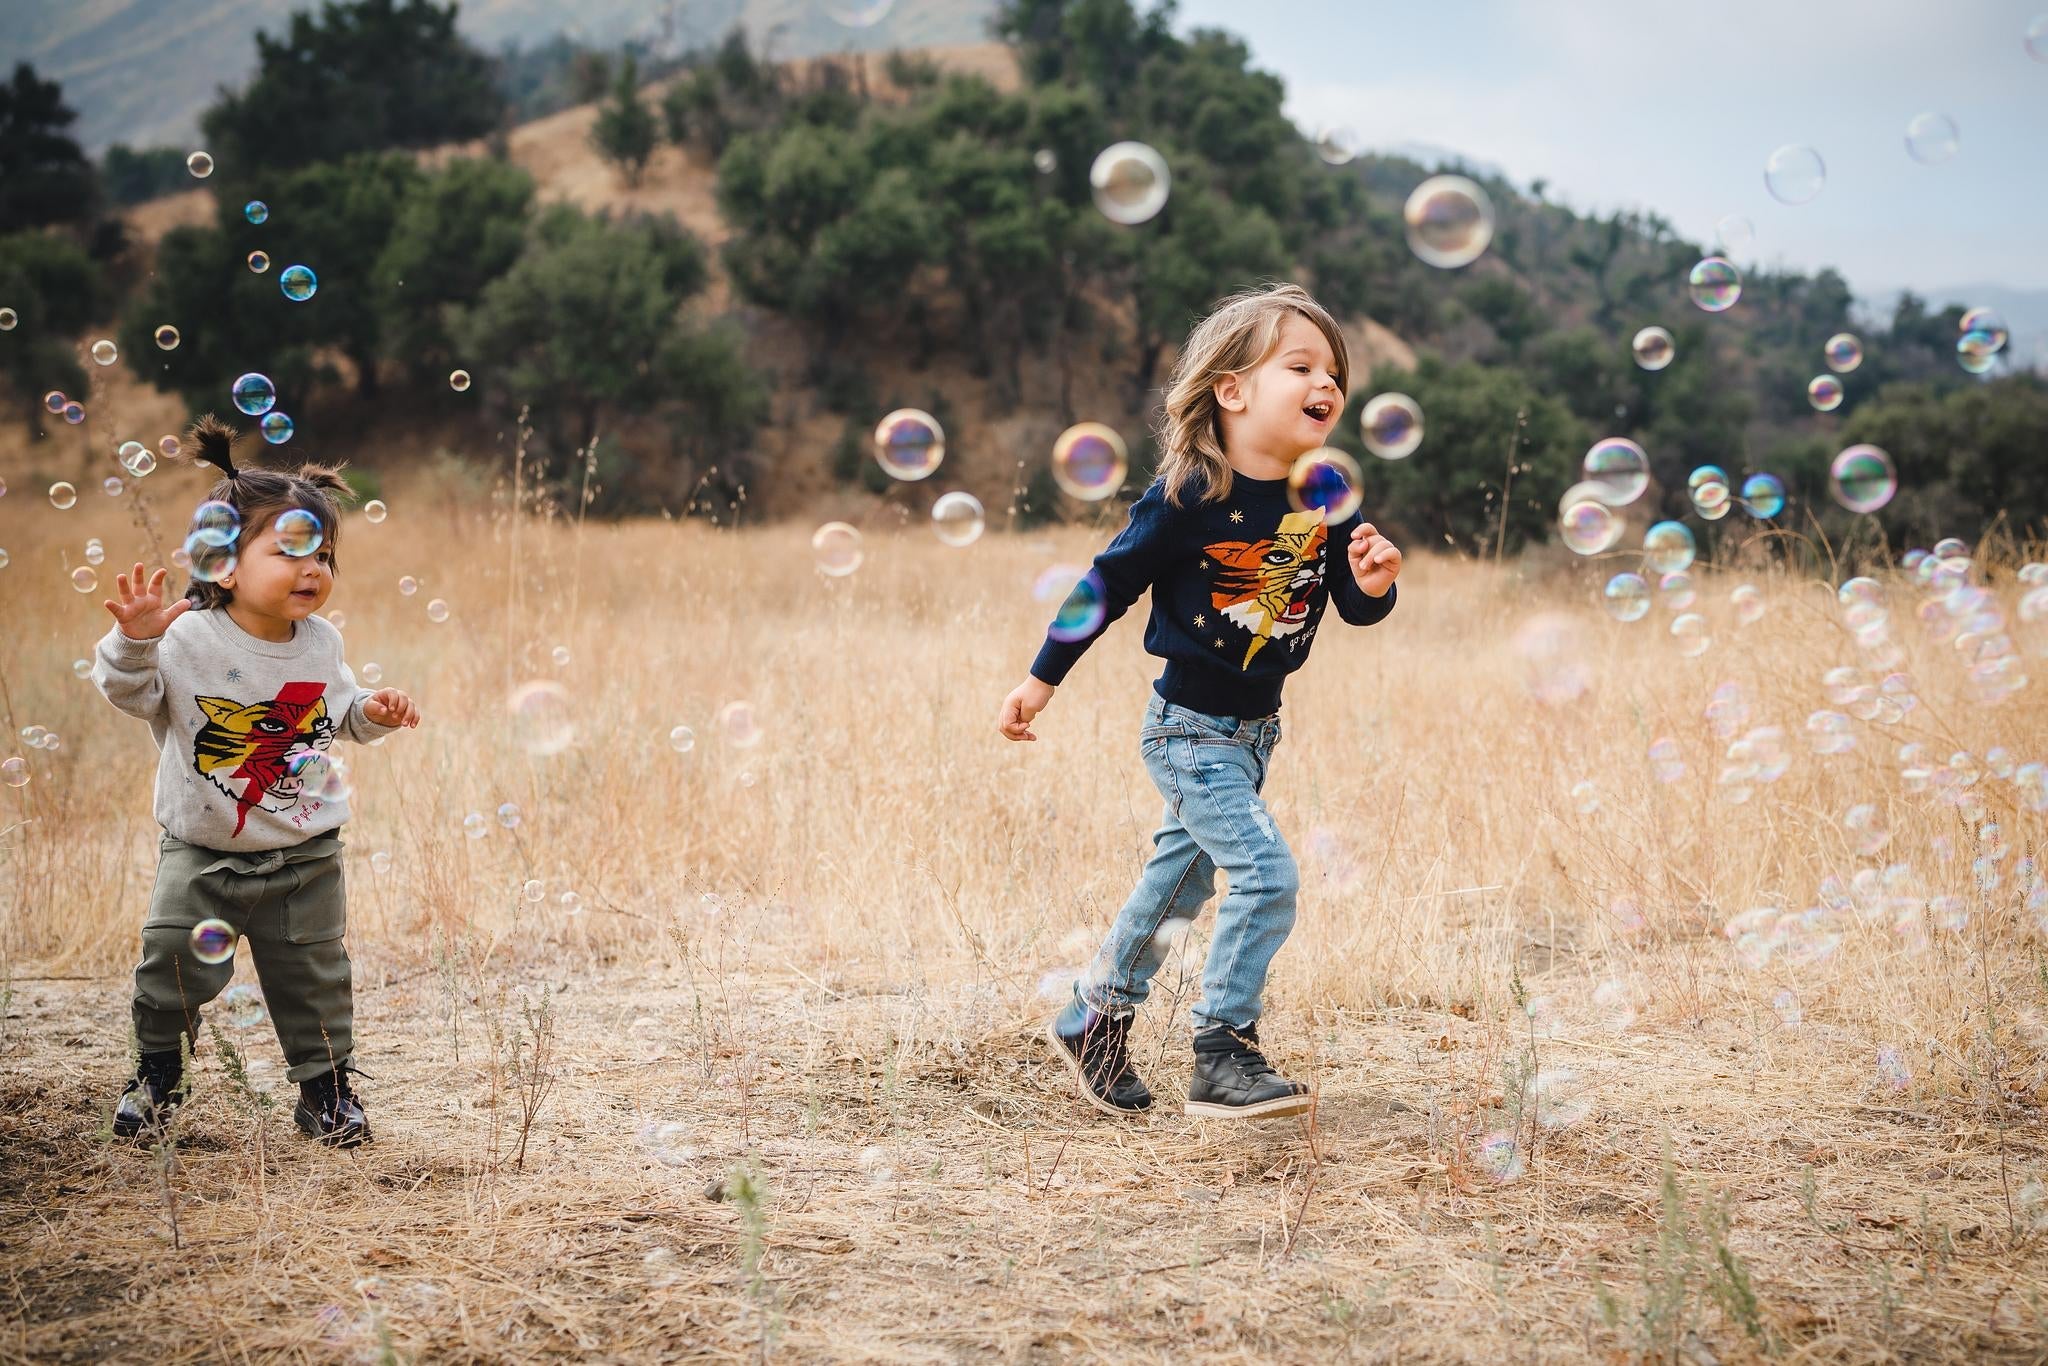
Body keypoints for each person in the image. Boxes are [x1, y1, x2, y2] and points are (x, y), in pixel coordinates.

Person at [997, 283, 1403, 1120]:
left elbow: (1349, 607)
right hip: (1187, 733)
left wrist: (1373, 584)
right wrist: (1040, 682)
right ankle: (1224, 1051)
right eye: (1300, 365)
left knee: (1178, 889)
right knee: (1266, 874)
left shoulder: (1324, 496)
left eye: (1333, 371)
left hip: (1255, 736)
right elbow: (1103, 588)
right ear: (1232, 389)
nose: (1325, 383)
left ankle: (1092, 1020)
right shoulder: (1187, 497)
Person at [92, 414, 421, 1147]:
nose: (314, 569)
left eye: (325, 554)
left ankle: (327, 1093)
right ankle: (155, 1082)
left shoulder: (321, 642)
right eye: (292, 551)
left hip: (304, 854)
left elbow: (335, 715)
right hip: (201, 850)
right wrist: (135, 640)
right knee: (171, 965)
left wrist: (373, 709)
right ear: (223, 564)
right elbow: (129, 693)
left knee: (316, 979)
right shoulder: (186, 639)